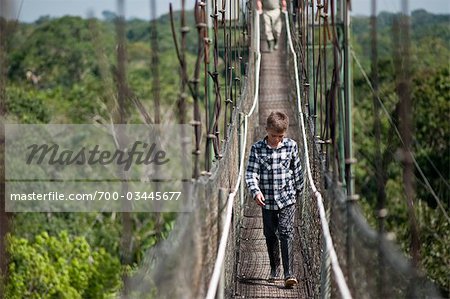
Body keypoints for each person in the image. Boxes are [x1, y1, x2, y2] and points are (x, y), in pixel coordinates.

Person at [245, 111, 304, 288]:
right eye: (273, 135)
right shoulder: (257, 148)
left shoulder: (291, 146)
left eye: (280, 136)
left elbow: (297, 170)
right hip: (267, 200)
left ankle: (289, 273)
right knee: (270, 234)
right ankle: (274, 268)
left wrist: (298, 191)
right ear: (266, 130)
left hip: (287, 198)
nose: (276, 139)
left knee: (286, 232)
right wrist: (255, 191)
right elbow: (251, 173)